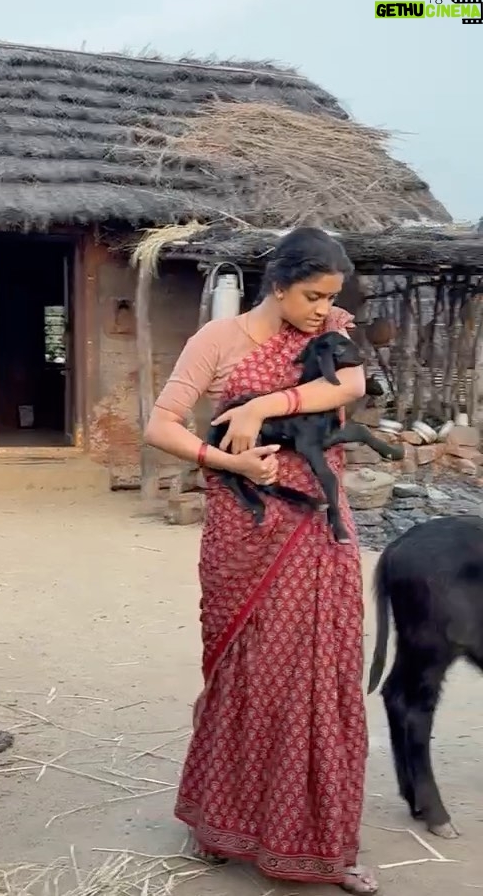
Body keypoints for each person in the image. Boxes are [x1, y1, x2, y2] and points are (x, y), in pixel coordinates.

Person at [144, 227, 378, 894]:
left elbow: (351, 386)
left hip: (319, 525)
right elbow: (161, 425)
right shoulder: (216, 342)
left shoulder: (332, 328)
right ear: (277, 285)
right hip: (245, 526)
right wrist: (229, 459)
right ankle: (220, 824)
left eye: (331, 297)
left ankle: (325, 844)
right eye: (311, 296)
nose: (321, 310)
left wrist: (268, 403)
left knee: (322, 673)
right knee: (248, 671)